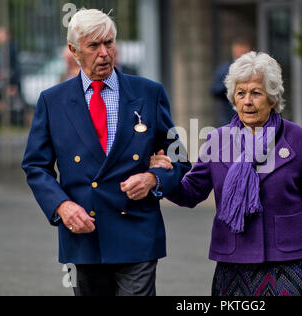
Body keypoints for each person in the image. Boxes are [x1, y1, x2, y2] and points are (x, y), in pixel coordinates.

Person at [22, 9, 190, 296]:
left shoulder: (149, 93)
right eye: (94, 46)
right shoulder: (53, 101)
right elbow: (36, 167)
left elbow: (179, 156)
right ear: (74, 51)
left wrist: (153, 178)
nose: (104, 53)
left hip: (137, 230)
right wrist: (62, 206)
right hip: (83, 234)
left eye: (109, 43)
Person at [151, 52, 302, 296]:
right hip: (233, 263)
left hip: (288, 262)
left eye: (256, 93)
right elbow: (191, 192)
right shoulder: (218, 140)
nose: (247, 101)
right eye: (241, 93)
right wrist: (165, 175)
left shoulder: (299, 140)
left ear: (272, 98)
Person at [211, 37, 252, 126]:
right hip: (229, 116)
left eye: (244, 51)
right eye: (239, 50)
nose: (241, 53)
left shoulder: (255, 70)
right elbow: (214, 90)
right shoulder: (224, 69)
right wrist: (231, 83)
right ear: (234, 50)